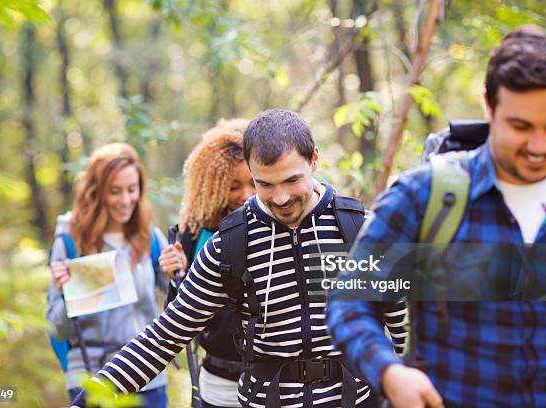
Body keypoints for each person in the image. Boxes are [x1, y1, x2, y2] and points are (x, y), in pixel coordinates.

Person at [71, 109, 406, 408]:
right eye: (265, 184)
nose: (281, 198)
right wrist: (88, 400)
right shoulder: (230, 245)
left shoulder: (361, 230)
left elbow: (404, 327)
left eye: (292, 180)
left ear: (314, 159)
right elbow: (164, 336)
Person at [327, 25, 546, 407]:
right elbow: (349, 300)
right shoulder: (426, 195)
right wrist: (389, 372)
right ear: (489, 106)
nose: (538, 145)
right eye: (520, 127)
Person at [47, 143, 169, 408]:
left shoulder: (149, 238)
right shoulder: (70, 242)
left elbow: (182, 302)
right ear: (96, 192)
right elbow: (56, 326)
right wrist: (66, 295)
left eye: (131, 189)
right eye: (115, 191)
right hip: (91, 379)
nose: (125, 200)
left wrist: (178, 270)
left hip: (146, 374)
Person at [159, 118, 255, 407]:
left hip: (269, 381)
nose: (246, 195)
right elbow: (178, 315)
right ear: (214, 184)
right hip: (216, 381)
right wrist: (176, 273)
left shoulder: (276, 226)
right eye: (234, 186)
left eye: (253, 183)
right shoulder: (196, 231)